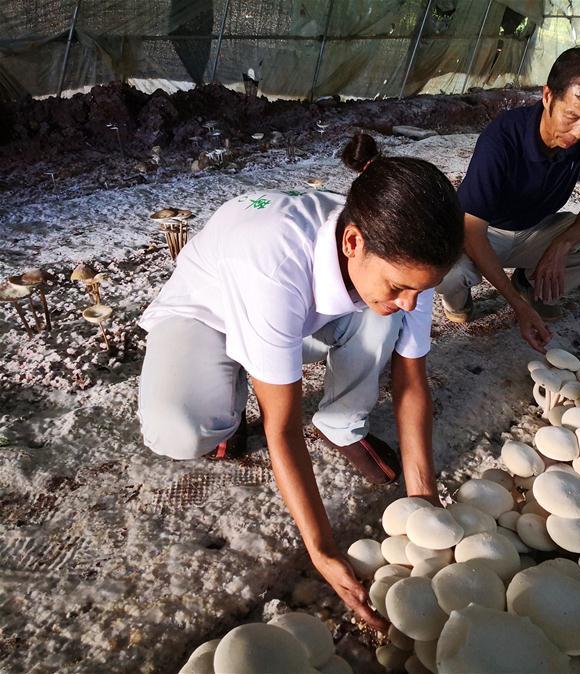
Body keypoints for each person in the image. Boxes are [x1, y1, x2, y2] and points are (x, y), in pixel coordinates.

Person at [137, 133, 463, 630]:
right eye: (402, 286)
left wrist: (424, 503)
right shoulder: (274, 262)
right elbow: (282, 428)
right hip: (210, 317)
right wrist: (322, 548)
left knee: (384, 315)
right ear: (352, 242)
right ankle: (232, 387)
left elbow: (411, 381)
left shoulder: (399, 257)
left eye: (421, 290)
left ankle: (339, 421)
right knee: (180, 430)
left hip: (296, 320)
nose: (412, 302)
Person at [435, 46, 580, 351]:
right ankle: (459, 299)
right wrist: (516, 307)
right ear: (548, 96)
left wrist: (561, 244)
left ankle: (529, 283)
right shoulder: (502, 138)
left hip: (535, 230)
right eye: (572, 116)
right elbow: (472, 230)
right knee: (447, 273)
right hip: (485, 233)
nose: (579, 132)